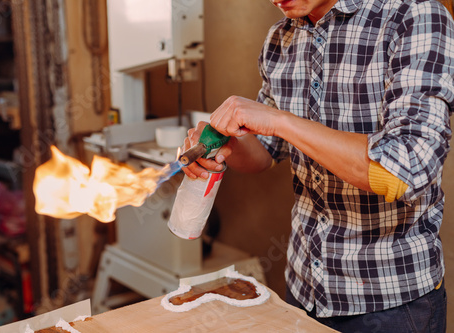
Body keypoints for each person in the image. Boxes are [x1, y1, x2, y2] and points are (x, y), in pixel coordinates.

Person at [182, 0, 454, 331]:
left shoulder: (413, 15)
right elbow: (268, 150)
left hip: (389, 303)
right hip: (303, 289)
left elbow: (403, 170)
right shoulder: (279, 38)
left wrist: (280, 120)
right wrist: (228, 147)